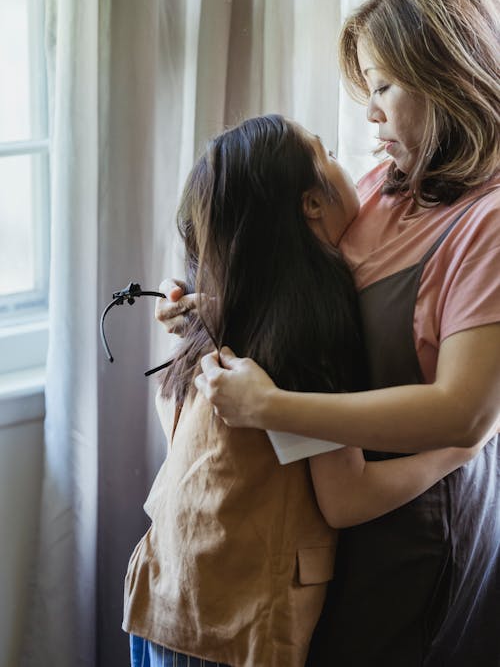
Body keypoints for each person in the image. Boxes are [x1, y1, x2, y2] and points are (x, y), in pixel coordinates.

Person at [161, 0, 500, 665]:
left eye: (383, 87)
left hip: (415, 528)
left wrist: (275, 406)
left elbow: (464, 415)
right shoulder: (384, 182)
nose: (369, 114)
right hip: (327, 524)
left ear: (448, 78)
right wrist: (216, 305)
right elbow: (300, 271)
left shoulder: (488, 225)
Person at [122, 114, 488, 667]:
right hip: (236, 628)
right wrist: (457, 450)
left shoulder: (232, 309)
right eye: (331, 155)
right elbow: (347, 499)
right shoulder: (305, 336)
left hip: (163, 594)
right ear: (311, 204)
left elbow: (173, 420)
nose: (356, 167)